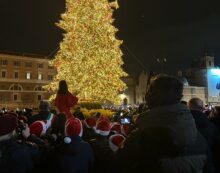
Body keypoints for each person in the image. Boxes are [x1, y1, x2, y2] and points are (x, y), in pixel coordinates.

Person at [114, 74, 214, 173]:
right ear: (180, 98)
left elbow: (116, 166)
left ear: (152, 97)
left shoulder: (139, 138)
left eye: (150, 91)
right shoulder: (200, 138)